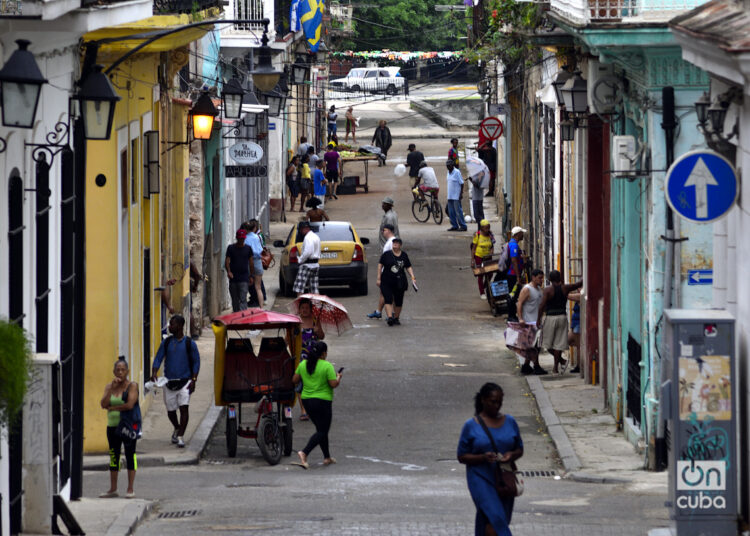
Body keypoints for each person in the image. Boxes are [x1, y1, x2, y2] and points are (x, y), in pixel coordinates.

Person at [458, 382, 523, 536]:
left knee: (492, 520)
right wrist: (482, 457)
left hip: (504, 479)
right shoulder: (471, 425)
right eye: (493, 401)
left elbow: (519, 449)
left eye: (500, 402)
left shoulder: (510, 422)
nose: (497, 406)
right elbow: (461, 456)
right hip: (480, 478)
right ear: (483, 400)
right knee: (496, 518)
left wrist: (511, 456)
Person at [151, 315, 200, 447]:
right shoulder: (166, 342)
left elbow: (196, 362)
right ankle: (177, 426)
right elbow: (158, 357)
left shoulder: (190, 343)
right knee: (171, 411)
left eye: (172, 324)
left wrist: (194, 380)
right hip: (169, 382)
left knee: (184, 408)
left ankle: (180, 436)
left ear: (179, 326)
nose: (169, 327)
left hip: (185, 381)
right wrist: (154, 372)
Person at [292, 341, 342, 468]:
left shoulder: (303, 364)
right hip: (323, 402)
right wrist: (338, 377)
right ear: (324, 353)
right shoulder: (327, 366)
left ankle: (327, 457)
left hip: (307, 401)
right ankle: (304, 452)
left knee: (321, 429)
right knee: (323, 430)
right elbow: (333, 384)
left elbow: (294, 380)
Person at [99, 357, 140, 498]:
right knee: (113, 456)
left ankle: (130, 488)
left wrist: (113, 407)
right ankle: (113, 488)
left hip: (129, 426)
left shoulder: (132, 386)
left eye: (123, 370)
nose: (120, 372)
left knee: (131, 455)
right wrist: (111, 389)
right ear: (114, 371)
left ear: (127, 371)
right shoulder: (109, 386)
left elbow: (129, 405)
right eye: (118, 370)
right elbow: (103, 404)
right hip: (112, 427)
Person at [538, 270, 583, 374]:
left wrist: (538, 319)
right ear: (560, 278)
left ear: (549, 279)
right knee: (558, 344)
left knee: (547, 344)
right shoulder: (565, 288)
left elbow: (542, 306)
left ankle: (558, 365)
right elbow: (578, 284)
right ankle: (556, 367)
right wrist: (584, 277)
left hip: (550, 317)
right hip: (562, 317)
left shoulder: (547, 290)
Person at [296, 298, 326, 421]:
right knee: (300, 383)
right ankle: (303, 410)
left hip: (314, 357)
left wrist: (318, 332)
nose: (304, 310)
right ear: (299, 309)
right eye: (302, 308)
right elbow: (289, 339)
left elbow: (322, 336)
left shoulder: (315, 320)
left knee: (314, 383)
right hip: (300, 357)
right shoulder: (296, 322)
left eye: (307, 308)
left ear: (311, 309)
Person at [377, 237, 416, 326]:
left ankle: (396, 318)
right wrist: (378, 278)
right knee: (388, 299)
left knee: (399, 301)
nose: (395, 244)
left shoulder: (404, 255)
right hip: (386, 281)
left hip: (399, 281)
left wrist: (412, 276)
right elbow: (380, 266)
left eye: (397, 243)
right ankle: (390, 317)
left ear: (400, 245)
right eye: (393, 243)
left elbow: (408, 266)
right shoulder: (386, 255)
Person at [517, 269, 547, 375]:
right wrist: (521, 319)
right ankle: (536, 366)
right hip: (528, 322)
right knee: (533, 347)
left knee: (535, 346)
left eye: (542, 277)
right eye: (539, 277)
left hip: (536, 322)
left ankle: (526, 366)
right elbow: (519, 303)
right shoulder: (527, 289)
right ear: (533, 277)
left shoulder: (539, 290)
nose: (541, 280)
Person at [366, 223, 396, 320]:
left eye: (384, 230)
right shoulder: (390, 241)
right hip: (388, 271)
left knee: (388, 293)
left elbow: (390, 258)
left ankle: (391, 313)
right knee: (383, 293)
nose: (383, 232)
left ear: (389, 231)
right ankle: (379, 311)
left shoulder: (391, 242)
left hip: (388, 272)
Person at [225, 229, 252, 312]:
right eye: (239, 238)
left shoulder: (248, 249)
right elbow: (227, 261)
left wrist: (251, 276)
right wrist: (229, 271)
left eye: (242, 239)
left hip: (244, 278)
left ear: (244, 238)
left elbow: (251, 263)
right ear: (237, 238)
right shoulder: (231, 248)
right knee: (235, 300)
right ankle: (236, 315)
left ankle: (242, 317)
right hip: (233, 278)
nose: (241, 240)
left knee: (243, 299)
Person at [294, 221, 321, 296]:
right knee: (314, 288)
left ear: (305, 229)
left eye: (301, 229)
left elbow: (308, 252)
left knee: (299, 287)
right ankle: (316, 305)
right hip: (315, 264)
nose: (301, 232)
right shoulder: (316, 236)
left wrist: (300, 260)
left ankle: (300, 304)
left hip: (307, 265)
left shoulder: (308, 238)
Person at [243, 220, 265, 310]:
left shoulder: (244, 238)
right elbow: (261, 249)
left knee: (245, 286)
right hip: (258, 262)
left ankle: (243, 308)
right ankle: (261, 307)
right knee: (258, 287)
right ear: (254, 228)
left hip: (248, 262)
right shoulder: (257, 237)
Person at [506, 227, 526, 322]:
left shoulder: (513, 244)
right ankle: (511, 316)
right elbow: (514, 261)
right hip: (513, 275)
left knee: (513, 294)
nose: (523, 235)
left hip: (513, 274)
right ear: (517, 234)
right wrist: (518, 276)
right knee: (513, 295)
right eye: (522, 233)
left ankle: (512, 315)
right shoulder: (513, 245)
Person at [471, 220, 495, 299]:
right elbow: (474, 248)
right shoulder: (477, 235)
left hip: (488, 257)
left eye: (488, 227)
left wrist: (491, 252)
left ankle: (485, 285)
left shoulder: (490, 235)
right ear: (481, 228)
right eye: (486, 228)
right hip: (479, 256)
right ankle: (482, 292)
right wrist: (472, 260)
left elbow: (492, 246)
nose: (487, 229)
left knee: (490, 273)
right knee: (480, 274)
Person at [446, 159, 467, 232]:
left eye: (449, 166)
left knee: (458, 212)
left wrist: (461, 194)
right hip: (450, 196)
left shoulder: (457, 172)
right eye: (447, 166)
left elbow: (462, 183)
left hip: (456, 196)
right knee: (451, 212)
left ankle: (463, 226)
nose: (448, 167)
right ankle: (454, 225)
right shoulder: (448, 172)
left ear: (452, 165)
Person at [568, 290, 582, 374]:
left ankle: (579, 365)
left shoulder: (580, 296)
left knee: (579, 346)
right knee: (576, 345)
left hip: (578, 325)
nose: (578, 289)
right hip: (575, 325)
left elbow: (568, 296)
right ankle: (579, 365)